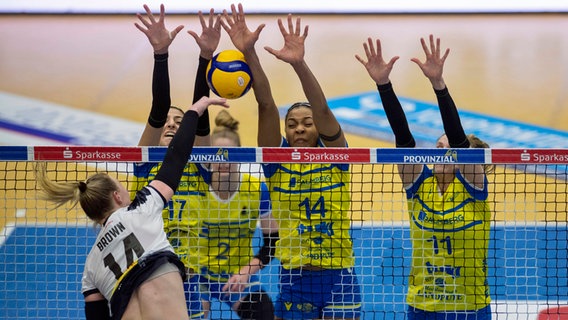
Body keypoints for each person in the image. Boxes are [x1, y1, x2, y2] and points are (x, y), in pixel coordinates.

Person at [221, 4, 362, 319]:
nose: (299, 127)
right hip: (295, 277)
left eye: (306, 122)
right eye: (292, 123)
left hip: (339, 276)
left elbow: (323, 110)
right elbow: (266, 104)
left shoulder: (336, 157)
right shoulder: (275, 161)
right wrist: (250, 54)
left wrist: (299, 64)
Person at [35, 96, 229, 320]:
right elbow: (176, 157)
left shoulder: (90, 269)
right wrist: (194, 111)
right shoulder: (143, 210)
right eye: (121, 185)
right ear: (117, 196)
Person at [356, 35, 493, 320]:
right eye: (438, 148)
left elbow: (459, 142)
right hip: (422, 306)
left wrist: (438, 85)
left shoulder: (474, 186)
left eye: (449, 150)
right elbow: (403, 139)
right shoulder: (418, 184)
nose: (441, 154)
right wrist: (384, 85)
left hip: (468, 307)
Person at [133, 4, 221, 318]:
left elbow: (200, 116)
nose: (171, 124)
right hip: (149, 273)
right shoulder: (144, 164)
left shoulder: (198, 163)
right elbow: (159, 107)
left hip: (189, 277)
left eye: (178, 121)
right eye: (167, 122)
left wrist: (206, 59)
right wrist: (161, 54)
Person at [190, 110, 278, 319]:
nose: (223, 160)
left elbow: (273, 242)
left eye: (229, 153)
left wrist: (245, 272)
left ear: (241, 154)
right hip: (198, 276)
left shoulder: (257, 190)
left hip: (236, 276)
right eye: (217, 153)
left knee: (266, 315)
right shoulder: (195, 188)